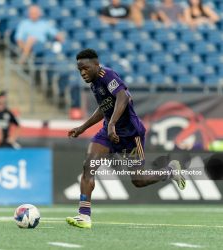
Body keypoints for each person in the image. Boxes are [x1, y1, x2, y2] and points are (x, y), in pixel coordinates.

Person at [66, 49, 186, 229]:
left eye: (85, 68)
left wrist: (113, 123)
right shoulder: (94, 83)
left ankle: (169, 170)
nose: (82, 73)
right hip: (108, 133)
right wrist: (83, 127)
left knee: (138, 180)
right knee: (89, 166)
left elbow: (123, 96)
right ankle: (84, 216)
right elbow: (103, 108)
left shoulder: (108, 75)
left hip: (131, 135)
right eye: (79, 70)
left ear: (96, 65)